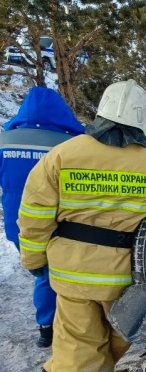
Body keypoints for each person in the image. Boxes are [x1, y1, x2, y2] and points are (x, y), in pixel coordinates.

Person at [18, 80, 146, 372]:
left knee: (77, 340)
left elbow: (33, 216)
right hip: (125, 271)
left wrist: (33, 258)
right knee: (123, 333)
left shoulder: (62, 155)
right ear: (143, 119)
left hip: (70, 271)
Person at [0, 87, 84, 348]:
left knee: (42, 272)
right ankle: (54, 328)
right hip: (56, 220)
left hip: (18, 222)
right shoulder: (70, 144)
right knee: (52, 274)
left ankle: (48, 325)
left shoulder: (5, 140)